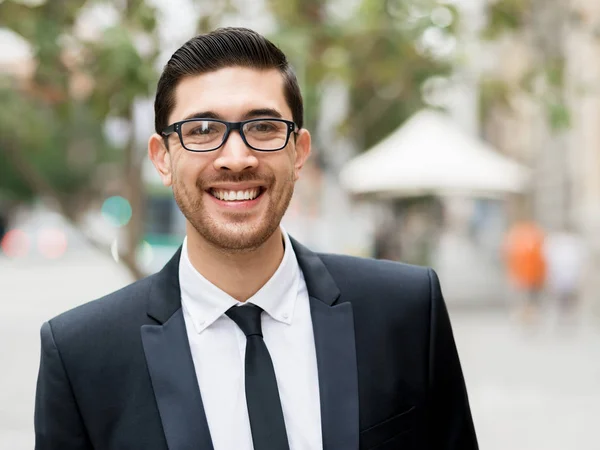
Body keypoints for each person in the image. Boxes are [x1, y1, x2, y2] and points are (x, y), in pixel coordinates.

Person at [34, 28, 477, 450]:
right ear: (162, 158)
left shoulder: (407, 311)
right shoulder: (81, 355)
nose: (236, 158)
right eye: (202, 130)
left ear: (299, 151)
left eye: (263, 127)